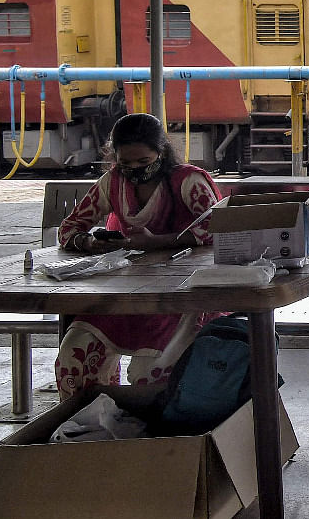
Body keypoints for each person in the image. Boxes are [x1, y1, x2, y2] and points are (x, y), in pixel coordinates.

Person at [54, 113, 224, 399]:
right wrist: (87, 242)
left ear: (161, 153)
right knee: (75, 354)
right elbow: (69, 227)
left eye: (143, 163)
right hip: (123, 296)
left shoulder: (189, 181)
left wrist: (153, 243)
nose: (134, 170)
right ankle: (89, 429)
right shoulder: (112, 183)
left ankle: (151, 434)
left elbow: (217, 227)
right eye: (125, 163)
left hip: (181, 296)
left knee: (150, 372)